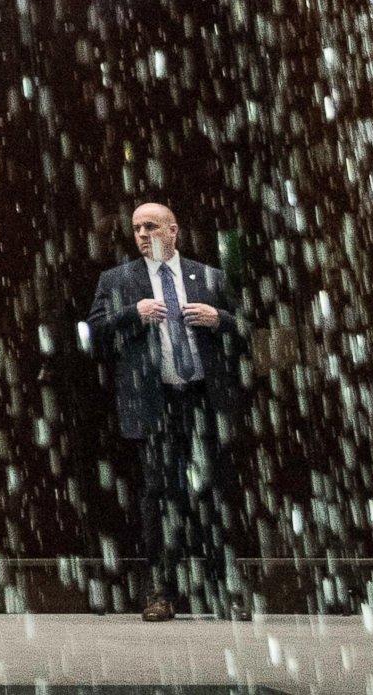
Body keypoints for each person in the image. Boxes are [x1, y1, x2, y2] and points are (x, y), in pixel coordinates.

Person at [86, 201, 240, 622]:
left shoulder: (209, 276)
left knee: (210, 494)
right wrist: (131, 313)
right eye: (136, 228)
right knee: (158, 497)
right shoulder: (118, 279)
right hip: (153, 402)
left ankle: (222, 590)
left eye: (150, 226)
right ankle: (161, 591)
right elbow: (93, 333)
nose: (141, 234)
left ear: (173, 231)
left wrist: (220, 319)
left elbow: (247, 330)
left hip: (203, 400)